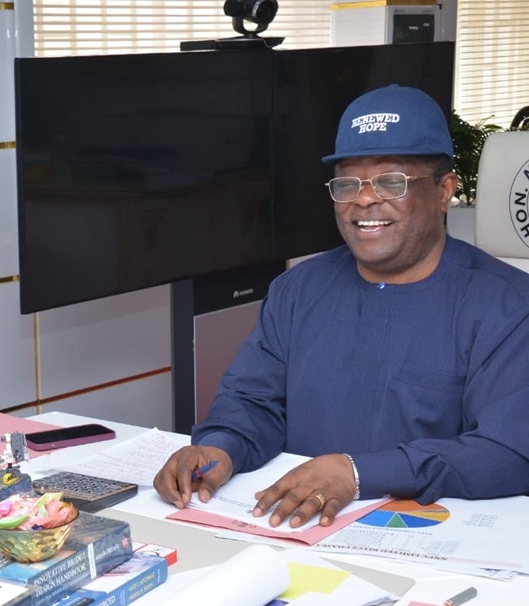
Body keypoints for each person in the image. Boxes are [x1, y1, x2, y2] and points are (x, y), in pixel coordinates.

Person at [154, 84, 529, 529]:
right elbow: (254, 402)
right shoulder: (298, 289)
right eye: (348, 183)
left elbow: (507, 453)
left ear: (445, 190)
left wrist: (356, 473)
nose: (364, 199)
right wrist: (219, 447)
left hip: (430, 548)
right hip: (291, 531)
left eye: (392, 181)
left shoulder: (507, 306)